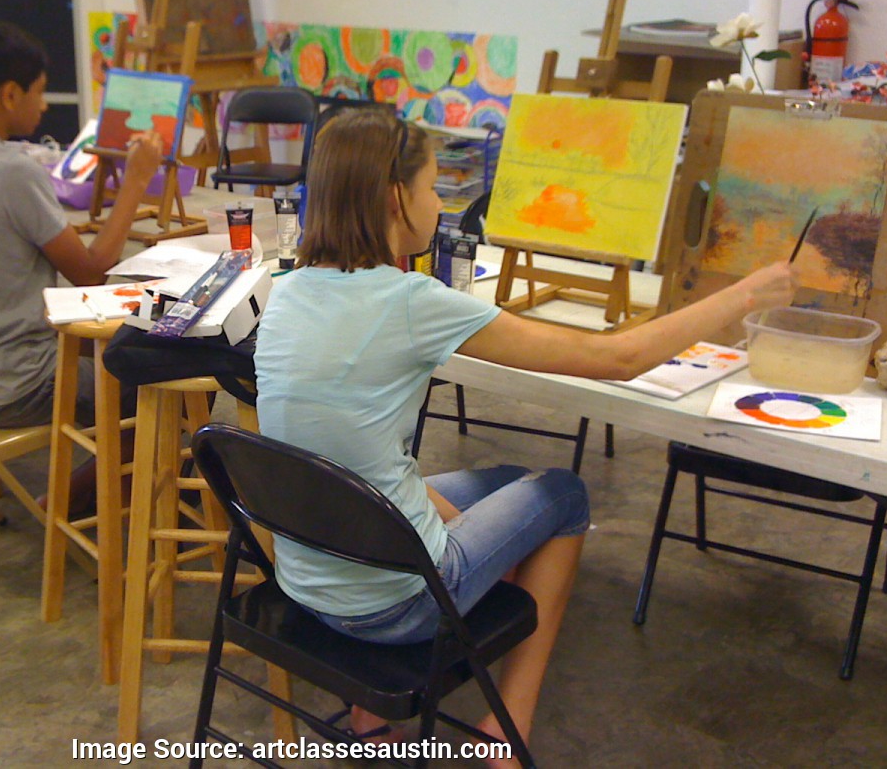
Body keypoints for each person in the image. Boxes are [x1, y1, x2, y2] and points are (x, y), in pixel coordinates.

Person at [254, 109, 798, 764]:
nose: (441, 203)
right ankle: (506, 731)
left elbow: (343, 451)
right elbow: (618, 359)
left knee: (508, 484)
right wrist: (745, 295)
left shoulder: (285, 291)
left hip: (306, 583)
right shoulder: (408, 301)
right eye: (432, 187)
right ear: (396, 197)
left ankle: (377, 708)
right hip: (395, 605)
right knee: (564, 495)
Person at [0, 23, 161, 512]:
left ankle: (120, 489)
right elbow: (92, 271)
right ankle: (70, 503)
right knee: (159, 388)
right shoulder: (12, 170)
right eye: (39, 91)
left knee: (123, 349)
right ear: (10, 95)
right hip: (12, 382)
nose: (45, 105)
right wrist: (136, 181)